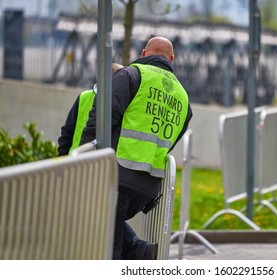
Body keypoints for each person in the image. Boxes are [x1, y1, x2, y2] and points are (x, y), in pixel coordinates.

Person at [80, 36, 193, 260]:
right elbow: (171, 140)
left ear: (144, 53)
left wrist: (82, 159)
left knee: (107, 247)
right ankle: (139, 249)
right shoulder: (183, 97)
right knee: (112, 230)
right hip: (148, 186)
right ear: (171, 59)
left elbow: (101, 119)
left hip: (117, 176)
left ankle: (137, 250)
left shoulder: (132, 74)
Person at [57, 63, 124, 156]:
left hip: (85, 161)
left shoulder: (122, 102)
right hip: (78, 160)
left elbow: (66, 133)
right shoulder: (84, 97)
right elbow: (67, 132)